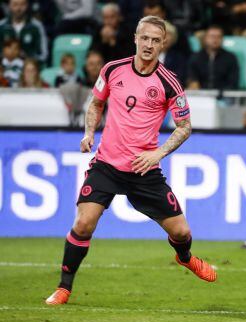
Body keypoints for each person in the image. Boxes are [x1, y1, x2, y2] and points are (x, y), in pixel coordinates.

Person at [45, 15, 217, 306]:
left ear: (164, 44)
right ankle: (64, 288)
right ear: (135, 38)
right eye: (145, 38)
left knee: (182, 232)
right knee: (84, 223)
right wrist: (89, 133)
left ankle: (185, 258)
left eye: (155, 40)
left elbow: (185, 126)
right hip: (107, 165)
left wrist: (158, 153)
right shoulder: (112, 70)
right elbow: (97, 103)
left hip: (144, 169)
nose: (149, 45)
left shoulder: (169, 82)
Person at [187, 25, 239, 90]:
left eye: (218, 37)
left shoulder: (230, 58)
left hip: (223, 96)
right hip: (201, 96)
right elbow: (192, 78)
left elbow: (233, 83)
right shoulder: (195, 57)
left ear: (222, 39)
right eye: (212, 36)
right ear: (205, 39)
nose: (215, 39)